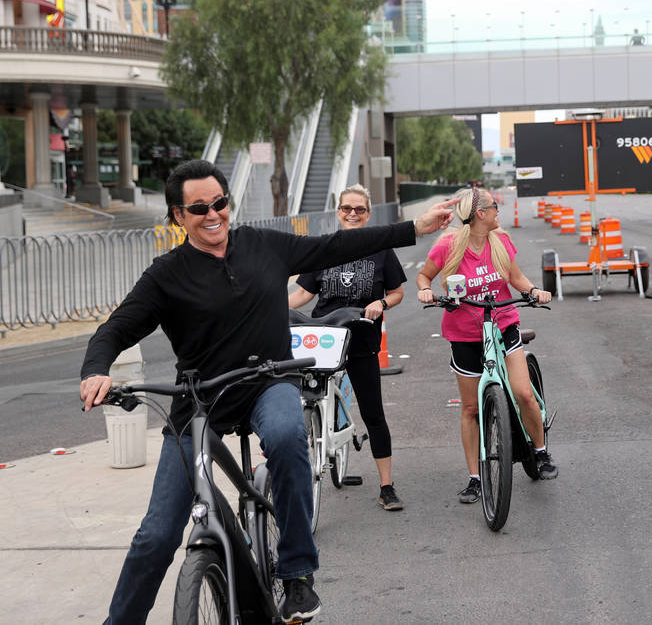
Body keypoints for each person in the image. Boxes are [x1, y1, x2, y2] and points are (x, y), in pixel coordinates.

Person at [79, 160, 455, 625]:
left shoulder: (262, 244)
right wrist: (96, 370)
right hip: (200, 400)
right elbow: (116, 329)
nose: (213, 213)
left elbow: (332, 245)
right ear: (178, 216)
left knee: (285, 436)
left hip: (268, 382)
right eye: (199, 208)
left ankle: (297, 576)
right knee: (156, 536)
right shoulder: (165, 275)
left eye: (220, 202)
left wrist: (412, 227)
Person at [414, 186, 556, 504]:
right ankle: (475, 478)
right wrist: (425, 291)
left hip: (503, 324)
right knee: (470, 409)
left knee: (523, 394)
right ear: (481, 213)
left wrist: (534, 290)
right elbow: (424, 276)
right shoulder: (449, 245)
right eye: (493, 207)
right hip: (464, 334)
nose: (497, 211)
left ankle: (541, 451)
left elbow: (516, 278)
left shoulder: (500, 241)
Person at [288, 184, 407, 511]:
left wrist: (381, 303)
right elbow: (302, 294)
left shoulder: (382, 248)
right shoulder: (325, 247)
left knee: (373, 413)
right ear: (338, 211)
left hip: (362, 337)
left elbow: (397, 292)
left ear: (368, 214)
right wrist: (271, 307)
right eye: (346, 208)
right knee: (299, 401)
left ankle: (386, 486)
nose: (353, 214)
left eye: (359, 209)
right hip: (323, 337)